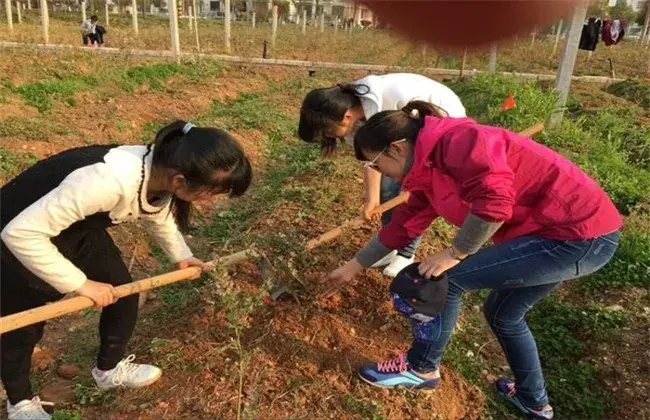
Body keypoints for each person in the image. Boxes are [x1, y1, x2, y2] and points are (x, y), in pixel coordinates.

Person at [324, 101, 622, 420]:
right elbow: (404, 224)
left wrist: (455, 253)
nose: (379, 173)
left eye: (376, 165)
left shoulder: (461, 143)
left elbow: (494, 202)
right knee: (503, 314)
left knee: (443, 281)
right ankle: (533, 400)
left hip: (576, 235)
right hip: (562, 233)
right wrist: (355, 264)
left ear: (395, 149)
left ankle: (420, 369)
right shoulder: (428, 167)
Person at [0, 121, 252, 420]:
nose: (210, 200)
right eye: (211, 192)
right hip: (15, 235)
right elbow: (20, 234)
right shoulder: (105, 182)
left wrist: (182, 257)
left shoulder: (159, 171)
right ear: (180, 181)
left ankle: (107, 370)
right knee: (22, 327)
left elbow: (157, 212)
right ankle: (20, 402)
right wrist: (82, 284)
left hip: (77, 231)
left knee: (124, 292)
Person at [299, 73, 466, 277]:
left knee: (412, 197)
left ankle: (406, 253)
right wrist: (371, 200)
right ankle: (390, 246)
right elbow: (373, 160)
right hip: (403, 141)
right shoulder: (354, 120)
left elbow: (397, 156)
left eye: (327, 131)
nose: (327, 137)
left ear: (346, 117)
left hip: (440, 125)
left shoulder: (392, 99)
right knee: (388, 189)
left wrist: (409, 187)